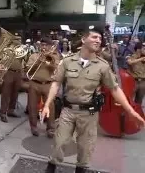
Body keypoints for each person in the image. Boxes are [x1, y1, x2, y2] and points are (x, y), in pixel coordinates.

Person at [41, 28, 145, 173]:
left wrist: (130, 111)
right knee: (59, 143)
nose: (98, 40)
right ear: (84, 40)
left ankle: (81, 169)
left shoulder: (102, 66)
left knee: (85, 147)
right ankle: (51, 166)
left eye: (100, 39)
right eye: (94, 37)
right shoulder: (67, 61)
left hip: (89, 114)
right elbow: (56, 83)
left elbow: (115, 89)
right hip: (68, 111)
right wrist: (47, 105)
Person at [25, 37, 60, 137]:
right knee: (32, 106)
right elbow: (28, 68)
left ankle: (50, 129)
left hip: (48, 84)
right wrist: (38, 61)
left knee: (50, 107)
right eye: (42, 45)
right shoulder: (34, 55)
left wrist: (49, 62)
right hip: (34, 83)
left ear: (50, 46)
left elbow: (57, 69)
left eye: (46, 45)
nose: (44, 47)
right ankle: (34, 127)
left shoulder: (54, 56)